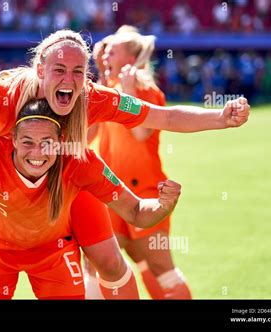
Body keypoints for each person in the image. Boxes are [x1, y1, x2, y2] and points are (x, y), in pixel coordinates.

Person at [0, 29, 250, 300]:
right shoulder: (5, 91)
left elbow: (163, 118)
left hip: (65, 176)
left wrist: (221, 118)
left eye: (78, 71)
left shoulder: (94, 99)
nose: (70, 80)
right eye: (59, 69)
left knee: (111, 263)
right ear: (40, 68)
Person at [0, 99, 182, 299]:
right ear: (11, 138)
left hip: (53, 251)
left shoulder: (80, 159)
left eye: (47, 143)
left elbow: (136, 211)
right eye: (27, 143)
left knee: (110, 262)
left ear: (60, 141)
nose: (37, 153)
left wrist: (162, 205)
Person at [85, 27, 191, 299]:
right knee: (98, 265)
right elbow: (89, 136)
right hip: (110, 192)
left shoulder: (147, 91)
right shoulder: (106, 92)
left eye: (113, 50)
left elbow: (141, 133)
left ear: (130, 59)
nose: (105, 53)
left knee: (159, 266)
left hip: (145, 190)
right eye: (105, 50)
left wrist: (129, 90)